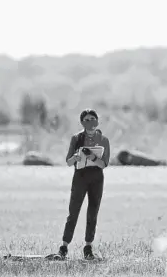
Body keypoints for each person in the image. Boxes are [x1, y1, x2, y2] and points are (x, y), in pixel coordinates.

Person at [57, 109, 110, 260]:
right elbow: (68, 162)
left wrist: (92, 156)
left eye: (92, 119)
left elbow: (103, 164)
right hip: (80, 176)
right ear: (82, 122)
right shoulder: (76, 138)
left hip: (96, 177)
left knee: (93, 212)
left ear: (97, 121)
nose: (90, 122)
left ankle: (88, 247)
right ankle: (64, 246)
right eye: (86, 120)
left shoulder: (104, 140)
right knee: (73, 211)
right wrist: (76, 156)